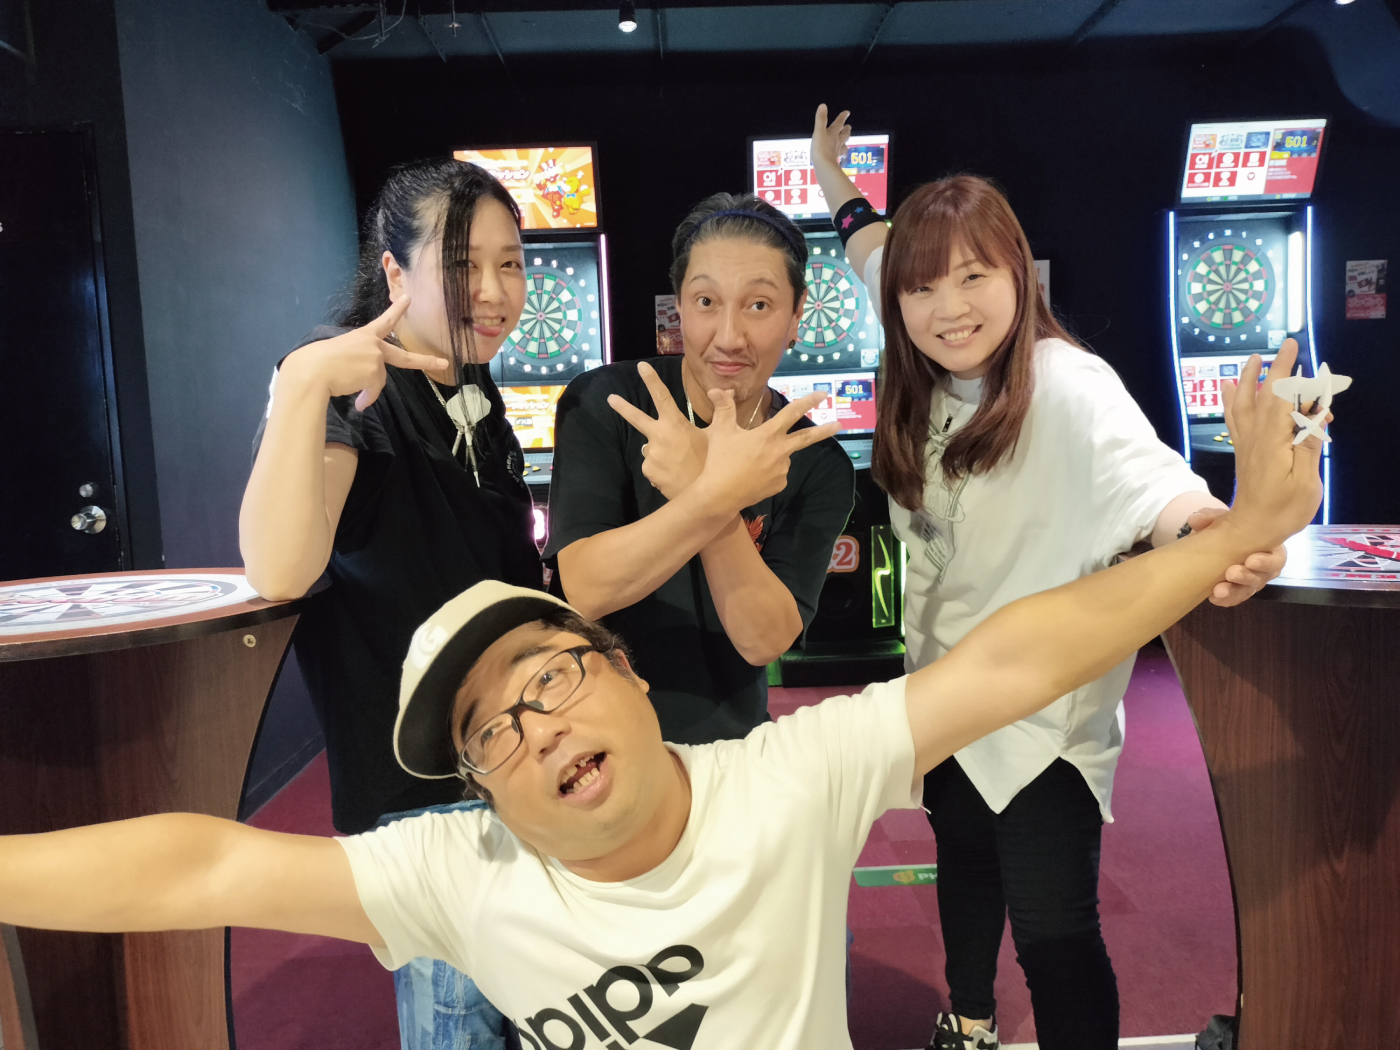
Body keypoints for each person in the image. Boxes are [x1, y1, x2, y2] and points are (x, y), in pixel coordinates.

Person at [0, 345, 1327, 1050]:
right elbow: (202, 867)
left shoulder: (784, 783)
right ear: (481, 791)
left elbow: (1012, 661)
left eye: (551, 674)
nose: (536, 727)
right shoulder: (462, 868)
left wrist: (1229, 534)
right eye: (489, 733)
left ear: (627, 674)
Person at [809, 105, 1287, 1050]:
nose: (949, 307)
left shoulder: (1066, 383)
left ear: (1017, 275)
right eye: (923, 287)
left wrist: (1227, 539)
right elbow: (871, 247)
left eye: (975, 276)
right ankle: (969, 1019)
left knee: (1055, 933)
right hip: (945, 692)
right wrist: (833, 177)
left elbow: (1160, 492)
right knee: (962, 866)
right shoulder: (919, 346)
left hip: (1042, 718)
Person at [239, 157, 541, 1050]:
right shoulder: (353, 385)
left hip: (496, 756)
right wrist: (303, 381)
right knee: (460, 1024)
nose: (494, 291)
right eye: (461, 265)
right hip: (419, 783)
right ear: (395, 273)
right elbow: (279, 570)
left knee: (522, 1002)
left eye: (511, 263)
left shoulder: (472, 384)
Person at [543, 192, 854, 745]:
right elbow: (586, 588)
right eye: (706, 301)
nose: (729, 337)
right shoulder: (607, 403)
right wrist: (713, 495)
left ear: (796, 315)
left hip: (731, 748)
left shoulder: (816, 462)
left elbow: (764, 640)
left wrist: (703, 488)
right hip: (594, 738)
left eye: (759, 305)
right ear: (679, 307)